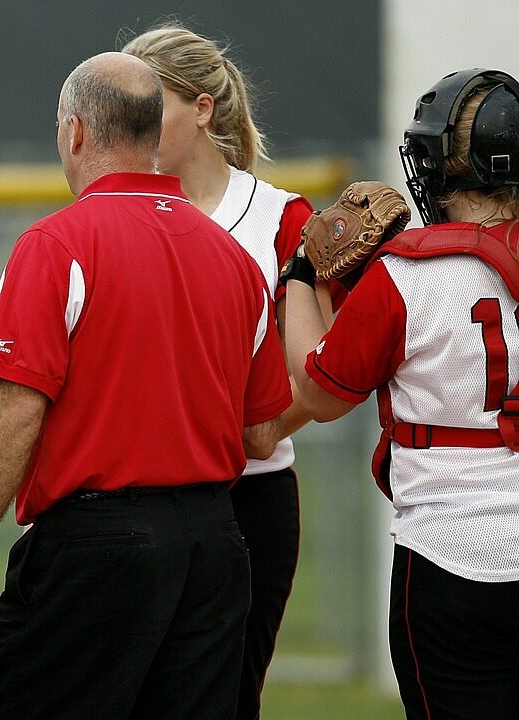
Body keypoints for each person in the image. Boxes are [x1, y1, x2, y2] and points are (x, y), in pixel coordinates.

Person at [0, 52, 292, 720]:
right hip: (214, 543)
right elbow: (261, 431)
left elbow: (16, 412)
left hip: (97, 543)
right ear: (151, 134)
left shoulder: (56, 244)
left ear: (76, 133)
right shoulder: (236, 259)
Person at [286, 68, 519, 720]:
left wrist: (301, 276)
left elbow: (322, 395)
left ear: (445, 166)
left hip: (451, 555)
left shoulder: (404, 275)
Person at [123, 25, 318, 719]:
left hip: (249, 496)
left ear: (202, 109)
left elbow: (321, 374)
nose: (139, 123)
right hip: (137, 499)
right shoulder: (119, 210)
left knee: (227, 699)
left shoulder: (281, 218)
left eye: (156, 103)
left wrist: (254, 429)